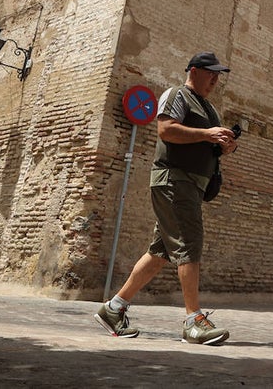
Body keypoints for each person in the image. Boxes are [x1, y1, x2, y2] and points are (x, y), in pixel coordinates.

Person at [95, 51, 239, 344]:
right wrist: (207, 134)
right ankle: (193, 321)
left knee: (160, 252)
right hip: (175, 181)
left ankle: (114, 308)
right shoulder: (177, 95)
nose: (215, 79)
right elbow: (166, 130)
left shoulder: (209, 108)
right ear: (195, 71)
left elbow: (205, 142)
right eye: (211, 72)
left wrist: (225, 145)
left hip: (191, 186)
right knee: (189, 243)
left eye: (218, 75)